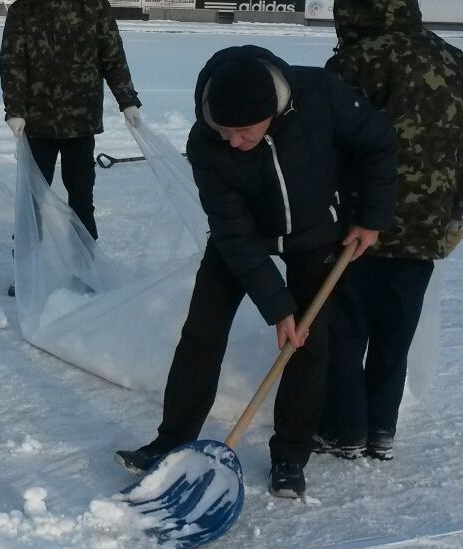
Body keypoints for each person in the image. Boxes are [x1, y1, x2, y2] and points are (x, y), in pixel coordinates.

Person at [117, 46, 397, 499]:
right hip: (242, 236)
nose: (232, 142)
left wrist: (372, 216)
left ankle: (290, 456)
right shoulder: (205, 142)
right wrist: (278, 306)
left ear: (272, 112)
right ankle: (171, 442)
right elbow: (232, 233)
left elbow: (378, 142)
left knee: (307, 344)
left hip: (315, 232)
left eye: (243, 132)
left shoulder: (321, 95)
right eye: (224, 131)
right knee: (202, 332)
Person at [316, 0, 463, 461]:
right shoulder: (455, 61)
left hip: (358, 223)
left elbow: (329, 145)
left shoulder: (355, 63)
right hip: (426, 227)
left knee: (345, 329)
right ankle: (382, 430)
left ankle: (344, 430)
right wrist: (455, 217)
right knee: (394, 334)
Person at [0, 0, 141, 242]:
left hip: (81, 120)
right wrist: (15, 109)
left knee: (81, 196)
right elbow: (12, 64)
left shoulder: (95, 8)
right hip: (37, 122)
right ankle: (27, 256)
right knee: (32, 197)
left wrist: (127, 99)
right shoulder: (23, 11)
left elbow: (113, 58)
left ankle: (85, 256)